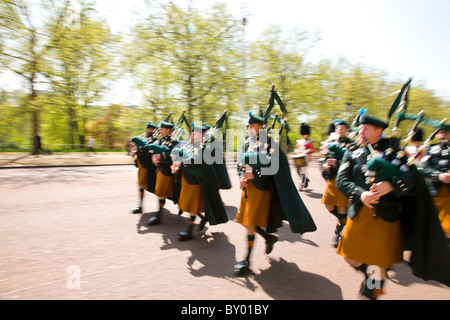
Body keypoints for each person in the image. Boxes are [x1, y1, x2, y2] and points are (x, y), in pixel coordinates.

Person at [336, 112, 450, 299]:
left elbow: (413, 177)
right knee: (350, 256)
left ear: (379, 131)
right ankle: (374, 278)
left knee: (377, 263)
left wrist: (391, 185)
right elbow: (342, 180)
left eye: (366, 129)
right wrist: (361, 193)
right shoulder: (352, 152)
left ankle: (372, 289)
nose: (360, 131)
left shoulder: (395, 151)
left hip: (386, 217)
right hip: (358, 213)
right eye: (361, 128)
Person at [234, 112, 316, 275]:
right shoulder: (247, 143)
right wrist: (241, 177)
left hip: (261, 188)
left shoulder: (270, 143)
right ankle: (268, 238)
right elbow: (240, 163)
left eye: (252, 126)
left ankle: (247, 261)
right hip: (248, 188)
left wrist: (255, 175)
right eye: (248, 125)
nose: (249, 128)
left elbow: (273, 167)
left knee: (249, 224)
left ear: (260, 127)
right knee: (245, 222)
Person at [171, 122, 229, 241]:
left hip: (198, 182)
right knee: (192, 205)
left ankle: (189, 231)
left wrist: (180, 165)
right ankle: (204, 218)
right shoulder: (191, 146)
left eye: (195, 133)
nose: (191, 135)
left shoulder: (206, 148)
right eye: (191, 132)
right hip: (188, 180)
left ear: (203, 135)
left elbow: (196, 160)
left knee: (192, 207)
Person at [320, 119, 353, 247]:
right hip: (332, 177)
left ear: (347, 130)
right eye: (338, 127)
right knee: (328, 204)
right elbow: (325, 158)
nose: (339, 129)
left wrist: (337, 163)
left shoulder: (350, 144)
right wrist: (325, 164)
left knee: (341, 206)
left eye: (342, 127)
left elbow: (350, 160)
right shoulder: (331, 142)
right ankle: (343, 223)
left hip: (343, 177)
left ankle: (339, 231)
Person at [420, 124, 450, 241]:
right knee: (434, 230)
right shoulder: (430, 149)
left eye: (445, 132)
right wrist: (439, 175)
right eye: (440, 132)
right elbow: (423, 169)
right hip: (434, 194)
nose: (442, 135)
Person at [146, 120, 179, 226]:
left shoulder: (174, 142)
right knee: (161, 194)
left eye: (163, 129)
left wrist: (161, 157)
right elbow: (156, 152)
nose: (160, 131)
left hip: (167, 172)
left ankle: (158, 217)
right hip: (160, 170)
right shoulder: (162, 141)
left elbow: (173, 156)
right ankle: (158, 215)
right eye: (160, 129)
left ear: (168, 130)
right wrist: (155, 158)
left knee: (161, 194)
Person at [130, 121, 157, 214]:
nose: (148, 131)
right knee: (141, 185)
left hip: (148, 166)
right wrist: (134, 151)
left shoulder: (155, 140)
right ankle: (140, 205)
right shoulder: (144, 138)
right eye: (148, 129)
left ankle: (158, 209)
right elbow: (134, 150)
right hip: (141, 165)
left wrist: (138, 150)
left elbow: (146, 149)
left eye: (151, 129)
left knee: (155, 187)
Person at [294, 122, 316, 190]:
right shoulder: (299, 141)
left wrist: (309, 151)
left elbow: (314, 149)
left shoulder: (310, 141)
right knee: (298, 170)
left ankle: (301, 185)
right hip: (299, 157)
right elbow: (296, 148)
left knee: (302, 171)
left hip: (306, 157)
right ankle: (305, 180)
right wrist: (296, 151)